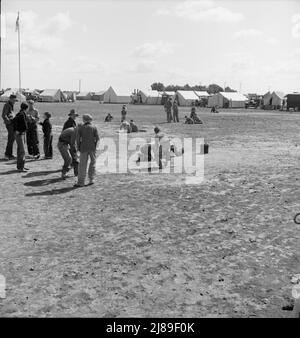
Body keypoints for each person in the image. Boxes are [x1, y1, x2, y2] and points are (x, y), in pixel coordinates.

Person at [75, 114, 99, 187]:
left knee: (82, 165)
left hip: (83, 148)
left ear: (84, 120)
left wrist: (78, 147)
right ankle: (91, 179)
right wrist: (95, 147)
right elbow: (97, 138)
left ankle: (81, 182)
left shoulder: (81, 127)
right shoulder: (94, 127)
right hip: (92, 148)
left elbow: (78, 139)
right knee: (93, 163)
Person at [12, 102, 29, 172]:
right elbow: (15, 121)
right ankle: (21, 167)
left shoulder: (20, 113)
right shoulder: (22, 114)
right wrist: (17, 130)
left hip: (20, 133)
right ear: (26, 108)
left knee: (20, 150)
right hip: (19, 134)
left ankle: (21, 166)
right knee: (22, 151)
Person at [2, 94, 17, 159]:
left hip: (12, 123)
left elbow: (10, 114)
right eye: (14, 100)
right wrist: (9, 121)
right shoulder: (7, 105)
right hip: (9, 124)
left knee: (12, 139)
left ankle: (10, 154)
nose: (14, 101)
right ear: (10, 99)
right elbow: (3, 115)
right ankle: (7, 154)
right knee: (11, 138)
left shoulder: (11, 104)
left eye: (15, 100)